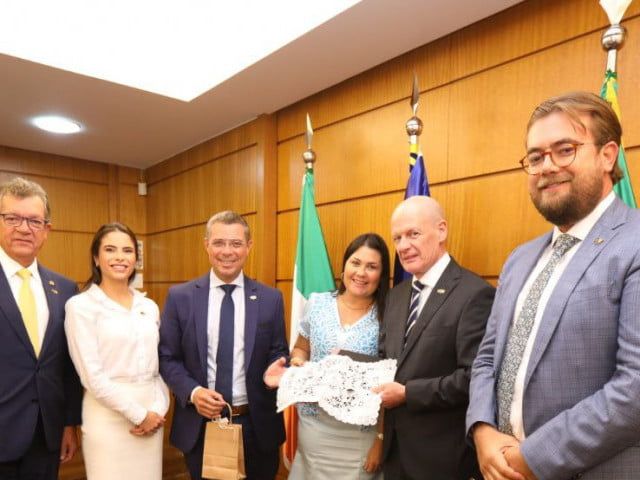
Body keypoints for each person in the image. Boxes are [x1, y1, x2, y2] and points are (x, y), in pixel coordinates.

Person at [467, 91, 640, 480]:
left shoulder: (635, 243)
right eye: (536, 157)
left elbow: (636, 388)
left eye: (565, 150)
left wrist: (531, 458)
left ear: (608, 156)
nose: (547, 167)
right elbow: (487, 357)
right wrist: (482, 429)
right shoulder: (519, 258)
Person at [159, 210, 289, 480]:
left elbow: (278, 351)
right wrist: (193, 393)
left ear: (248, 247)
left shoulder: (271, 298)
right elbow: (167, 358)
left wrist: (275, 370)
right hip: (202, 425)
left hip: (256, 425)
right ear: (206, 244)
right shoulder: (180, 297)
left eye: (236, 243)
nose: (227, 251)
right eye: (219, 243)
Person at [374, 195, 494, 479]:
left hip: (441, 460)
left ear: (441, 231)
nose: (403, 246)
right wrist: (340, 367)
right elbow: (385, 361)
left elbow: (474, 378)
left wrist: (408, 394)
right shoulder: (396, 295)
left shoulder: (474, 294)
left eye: (413, 234)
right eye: (397, 238)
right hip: (394, 455)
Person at [65, 222, 169, 479]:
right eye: (110, 250)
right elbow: (92, 377)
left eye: (127, 250)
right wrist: (139, 415)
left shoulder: (148, 306)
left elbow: (159, 367)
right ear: (96, 258)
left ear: (136, 258)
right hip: (107, 417)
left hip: (152, 416)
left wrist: (159, 409)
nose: (120, 257)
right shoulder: (80, 306)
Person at [286, 232, 391, 479]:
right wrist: (298, 362)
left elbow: (390, 383)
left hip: (362, 433)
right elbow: (301, 348)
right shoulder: (318, 303)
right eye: (356, 262)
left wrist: (380, 439)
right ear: (344, 266)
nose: (361, 273)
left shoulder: (389, 314)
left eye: (372, 267)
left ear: (381, 275)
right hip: (315, 426)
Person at [0, 176, 82, 479]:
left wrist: (69, 423)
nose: (24, 229)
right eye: (13, 218)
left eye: (34, 221)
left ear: (47, 230)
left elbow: (67, 365)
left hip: (46, 434)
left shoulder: (65, 288)